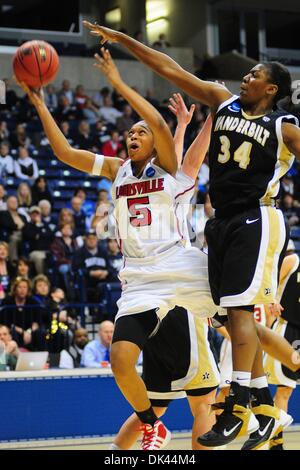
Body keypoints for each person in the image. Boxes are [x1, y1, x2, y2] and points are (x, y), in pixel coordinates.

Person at [83, 22, 300, 447]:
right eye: (249, 71)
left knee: (238, 313)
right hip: (219, 223)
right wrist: (122, 40)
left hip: (257, 217)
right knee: (230, 311)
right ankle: (259, 403)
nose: (248, 76)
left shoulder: (283, 126)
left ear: (272, 89)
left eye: (257, 73)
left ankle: (241, 403)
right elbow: (169, 67)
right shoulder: (224, 102)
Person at [18, 49, 221, 451]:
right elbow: (64, 154)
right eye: (129, 131)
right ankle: (151, 425)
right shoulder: (116, 169)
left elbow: (165, 129)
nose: (133, 135)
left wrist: (118, 82)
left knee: (235, 310)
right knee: (122, 360)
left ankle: (251, 393)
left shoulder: (168, 168)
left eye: (140, 131)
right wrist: (41, 104)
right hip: (140, 276)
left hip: (178, 261)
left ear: (156, 142)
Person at [264, 239, 300, 450]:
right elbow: (269, 277)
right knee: (283, 389)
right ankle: (275, 442)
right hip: (288, 329)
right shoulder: (293, 260)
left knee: (286, 389)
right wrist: (270, 299)